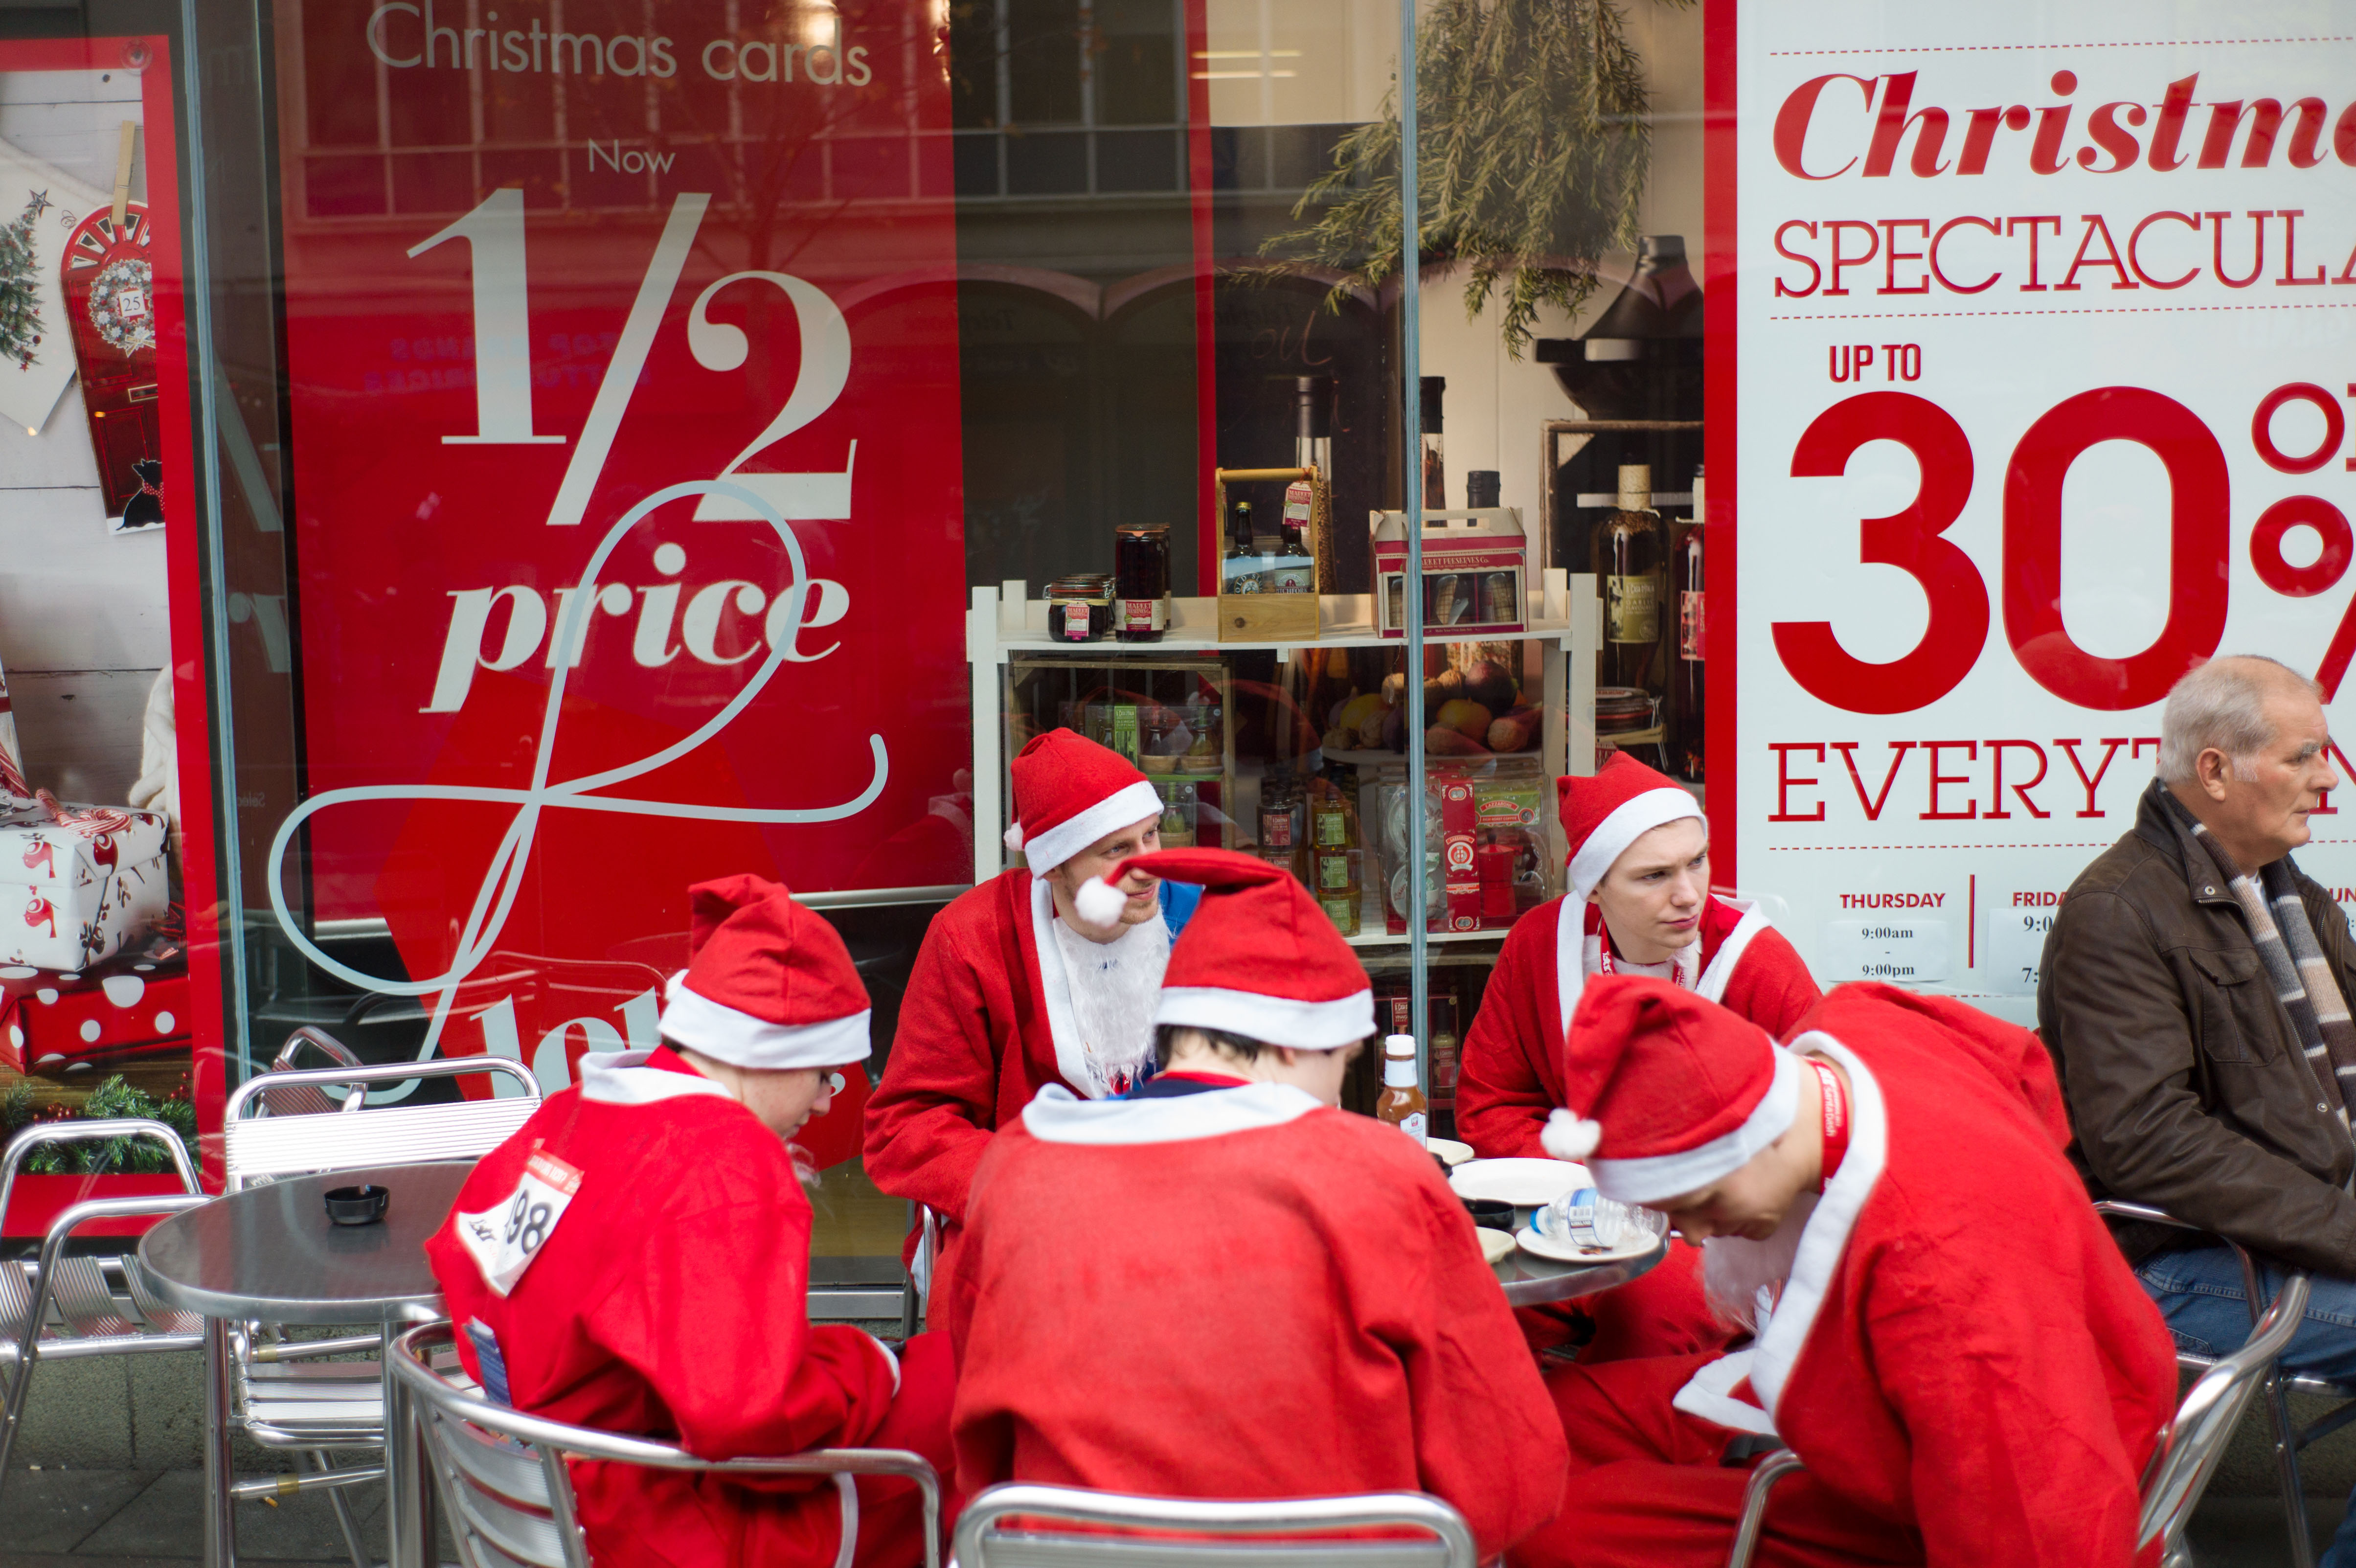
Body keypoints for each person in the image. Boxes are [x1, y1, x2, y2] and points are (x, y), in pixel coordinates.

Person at [941, 848, 1567, 1561]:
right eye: (1342, 1065)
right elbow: (1511, 1477)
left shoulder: (1017, 1171)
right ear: (1291, 1041)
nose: (1336, 1099)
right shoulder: (1381, 1172)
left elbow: (983, 1447)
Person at [1512, 977, 2176, 1568]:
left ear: (1760, 1136)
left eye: (1701, 1203)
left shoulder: (1940, 1276)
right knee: (1552, 1413)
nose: (1697, 1236)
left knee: (1559, 1529)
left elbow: (2035, 1521)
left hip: (1958, 1495)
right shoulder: (1850, 1032)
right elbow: (2021, 1066)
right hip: (1918, 1403)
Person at [425, 875, 955, 1568]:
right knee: (970, 1392)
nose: (829, 1101)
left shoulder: (573, 1113)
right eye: (825, 1072)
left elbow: (466, 1269)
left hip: (541, 1486)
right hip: (666, 1518)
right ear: (763, 1051)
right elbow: (749, 1421)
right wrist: (871, 1367)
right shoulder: (721, 1165)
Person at [2040, 654, 2356, 1566]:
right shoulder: (2116, 914)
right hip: (2180, 1264)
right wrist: (2345, 1229)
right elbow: (2149, 1143)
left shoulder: (2292, 897)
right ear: (2214, 771)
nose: (2328, 778)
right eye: (2303, 756)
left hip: (2296, 1236)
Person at [1456, 753, 1819, 1361]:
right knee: (1473, 1309)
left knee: (1657, 1318)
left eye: (1696, 862)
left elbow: (1811, 1133)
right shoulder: (1541, 944)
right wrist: (1595, 1192)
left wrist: (1663, 1197)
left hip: (1708, 1233)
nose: (1688, 895)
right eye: (1653, 876)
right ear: (1594, 886)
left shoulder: (1757, 962)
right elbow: (1491, 1102)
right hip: (1563, 1213)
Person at [864, 728, 1199, 1297]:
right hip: (1034, 1211)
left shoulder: (1201, 912)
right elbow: (909, 1121)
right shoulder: (971, 937)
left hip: (1188, 1193)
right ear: (1052, 867)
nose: (1149, 866)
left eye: (1151, 835)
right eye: (1116, 850)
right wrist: (1028, 1183)